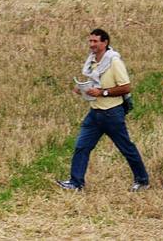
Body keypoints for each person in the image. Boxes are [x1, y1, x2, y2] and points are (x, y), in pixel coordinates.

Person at [59, 28, 149, 192]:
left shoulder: (114, 62)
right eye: (90, 41)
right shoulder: (92, 61)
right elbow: (94, 83)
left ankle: (142, 180)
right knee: (81, 147)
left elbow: (126, 87)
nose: (91, 44)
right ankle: (76, 182)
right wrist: (83, 89)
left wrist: (103, 93)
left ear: (105, 42)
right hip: (94, 113)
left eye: (95, 41)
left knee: (126, 148)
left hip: (111, 113)